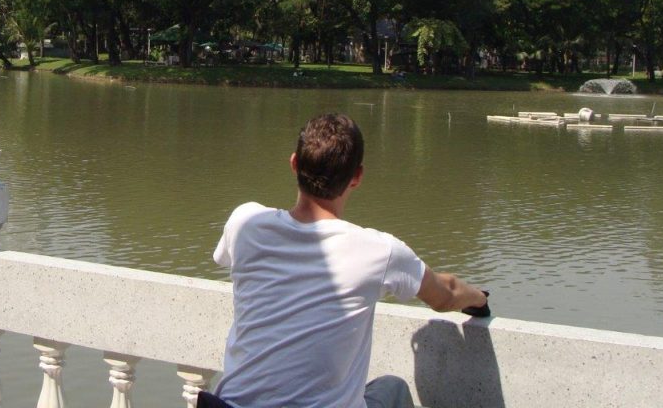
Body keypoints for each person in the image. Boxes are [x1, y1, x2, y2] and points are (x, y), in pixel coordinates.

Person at [205, 113, 489, 408]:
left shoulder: (244, 222)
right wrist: (479, 299)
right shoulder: (379, 251)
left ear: (294, 164)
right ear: (357, 177)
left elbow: (230, 261)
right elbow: (446, 295)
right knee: (393, 389)